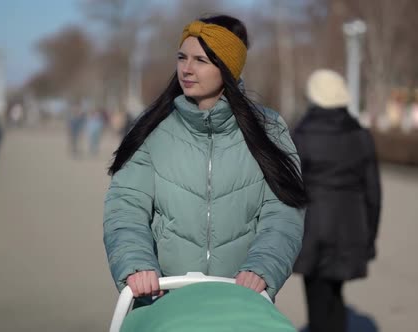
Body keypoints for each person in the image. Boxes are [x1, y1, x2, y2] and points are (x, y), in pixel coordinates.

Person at [103, 14, 307, 303]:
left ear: (227, 67)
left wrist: (262, 268)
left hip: (240, 299)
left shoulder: (269, 129)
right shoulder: (152, 128)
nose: (186, 69)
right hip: (164, 298)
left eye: (200, 60)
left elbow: (284, 212)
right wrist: (137, 264)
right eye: (182, 57)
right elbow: (126, 205)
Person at [292, 69, 382, 332]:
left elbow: (289, 191)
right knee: (335, 296)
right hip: (350, 230)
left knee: (316, 302)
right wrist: (369, 237)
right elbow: (373, 194)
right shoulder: (361, 136)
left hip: (312, 231)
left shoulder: (301, 134)